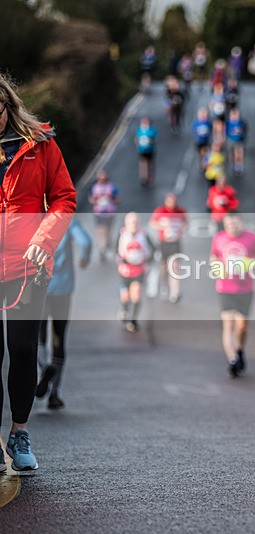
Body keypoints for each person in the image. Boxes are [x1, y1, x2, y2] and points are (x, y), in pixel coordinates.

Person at [0, 73, 77, 472]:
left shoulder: (39, 144)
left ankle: (19, 432)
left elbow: (64, 197)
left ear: (7, 107)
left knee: (25, 349)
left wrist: (44, 241)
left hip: (27, 265)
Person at [36, 218, 91, 410]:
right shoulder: (68, 220)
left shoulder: (35, 218)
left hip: (40, 287)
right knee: (59, 338)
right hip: (64, 287)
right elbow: (85, 241)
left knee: (39, 337)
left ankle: (44, 369)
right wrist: (85, 257)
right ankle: (54, 393)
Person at [210, 214, 255, 377]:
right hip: (224, 287)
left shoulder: (251, 238)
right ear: (225, 225)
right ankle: (232, 359)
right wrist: (216, 266)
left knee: (242, 326)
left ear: (241, 223)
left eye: (235, 223)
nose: (232, 227)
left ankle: (239, 350)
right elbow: (213, 256)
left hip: (245, 288)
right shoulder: (219, 238)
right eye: (228, 224)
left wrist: (249, 264)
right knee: (228, 324)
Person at [116, 212, 155, 333]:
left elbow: (153, 248)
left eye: (135, 222)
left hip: (139, 270)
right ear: (126, 224)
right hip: (125, 271)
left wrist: (147, 261)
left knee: (136, 293)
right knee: (125, 296)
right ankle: (124, 309)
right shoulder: (122, 235)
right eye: (130, 222)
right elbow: (115, 250)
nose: (133, 225)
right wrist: (121, 260)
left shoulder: (143, 235)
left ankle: (133, 320)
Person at [149, 192, 188, 303]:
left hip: (175, 243)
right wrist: (163, 226)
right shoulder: (160, 211)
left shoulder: (181, 212)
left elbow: (186, 224)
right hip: (163, 242)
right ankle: (165, 283)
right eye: (170, 201)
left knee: (175, 267)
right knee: (164, 267)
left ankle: (175, 292)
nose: (172, 203)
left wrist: (180, 229)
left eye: (174, 201)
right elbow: (152, 223)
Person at [88, 169, 120, 262]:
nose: (102, 180)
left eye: (104, 179)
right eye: (100, 178)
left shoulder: (111, 187)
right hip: (99, 214)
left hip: (110, 213)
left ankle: (107, 243)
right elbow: (90, 199)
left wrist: (110, 200)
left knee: (108, 231)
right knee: (101, 232)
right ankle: (102, 250)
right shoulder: (94, 188)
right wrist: (97, 201)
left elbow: (118, 199)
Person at [135, 116, 158, 186]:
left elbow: (156, 139)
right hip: (142, 150)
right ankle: (143, 177)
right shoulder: (139, 130)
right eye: (143, 122)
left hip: (150, 149)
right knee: (143, 163)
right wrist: (137, 145)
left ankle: (150, 176)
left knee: (150, 163)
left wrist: (151, 141)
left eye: (146, 122)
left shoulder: (152, 130)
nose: (144, 123)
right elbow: (136, 139)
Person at [226, 107, 247, 175]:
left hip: (239, 140)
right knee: (232, 153)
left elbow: (244, 129)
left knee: (239, 153)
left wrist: (243, 137)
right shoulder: (228, 123)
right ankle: (233, 164)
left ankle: (239, 165)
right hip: (231, 140)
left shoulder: (241, 122)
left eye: (236, 115)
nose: (234, 117)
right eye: (233, 116)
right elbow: (226, 131)